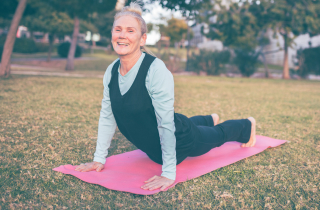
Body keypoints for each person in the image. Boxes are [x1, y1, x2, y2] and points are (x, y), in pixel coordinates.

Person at [75, 2, 256, 191]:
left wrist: (168, 173)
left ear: (142, 39)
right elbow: (107, 115)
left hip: (181, 142)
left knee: (218, 136)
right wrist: (98, 159)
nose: (122, 35)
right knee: (179, 122)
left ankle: (246, 125)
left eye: (130, 31)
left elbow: (166, 122)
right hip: (154, 150)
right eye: (118, 29)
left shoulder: (155, 70)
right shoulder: (111, 70)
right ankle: (208, 119)